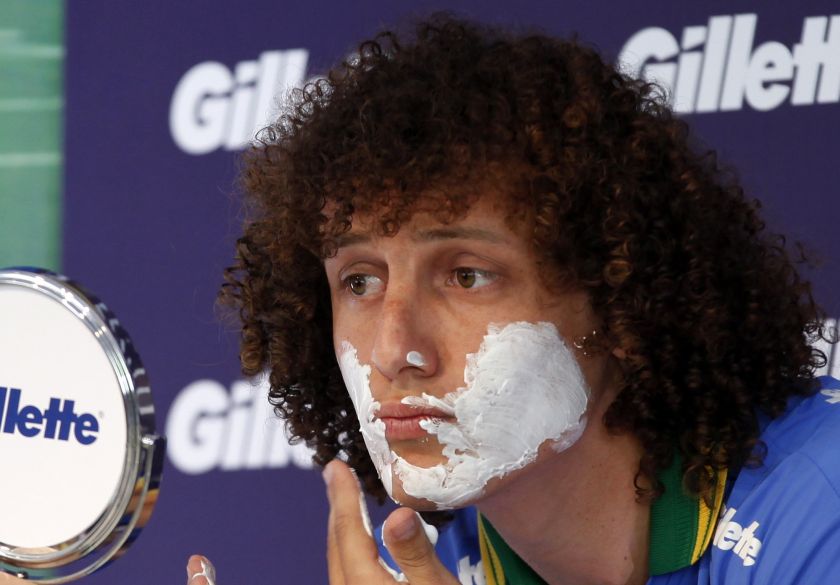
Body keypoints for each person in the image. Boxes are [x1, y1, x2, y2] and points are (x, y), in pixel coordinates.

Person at [185, 15, 840, 585]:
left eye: (465, 275)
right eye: (360, 281)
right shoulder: (455, 553)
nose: (392, 348)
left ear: (620, 300)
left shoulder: (822, 508)